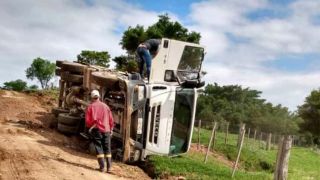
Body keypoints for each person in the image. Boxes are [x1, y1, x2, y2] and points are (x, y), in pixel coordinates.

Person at [85, 90, 114, 173]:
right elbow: (111, 119)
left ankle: (102, 167)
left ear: (92, 97)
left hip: (96, 129)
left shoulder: (90, 107)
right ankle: (109, 168)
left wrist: (90, 127)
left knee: (99, 147)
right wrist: (111, 128)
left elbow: (87, 121)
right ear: (99, 96)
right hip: (107, 130)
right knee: (107, 148)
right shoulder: (106, 106)